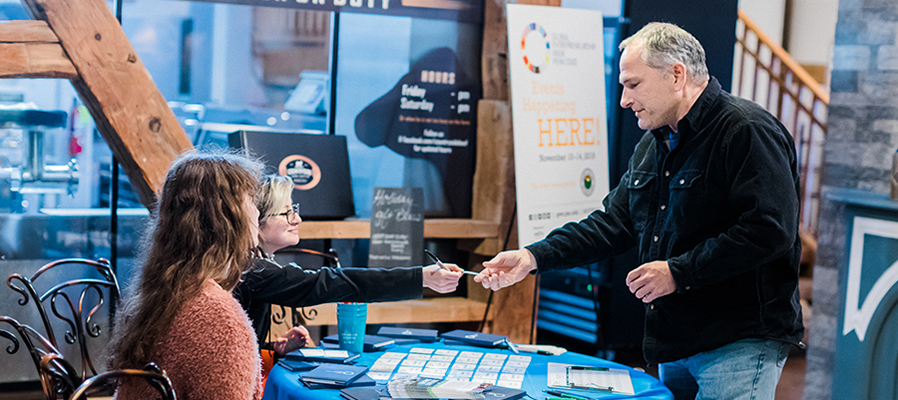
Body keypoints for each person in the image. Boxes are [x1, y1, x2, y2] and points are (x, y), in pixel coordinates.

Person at [475, 22, 803, 400]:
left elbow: (769, 230)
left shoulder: (747, 129)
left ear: (677, 75)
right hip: (676, 339)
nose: (624, 100)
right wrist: (532, 257)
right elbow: (613, 224)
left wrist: (678, 273)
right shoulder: (654, 143)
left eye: (633, 84)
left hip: (739, 340)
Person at [234, 174, 464, 357]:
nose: (297, 219)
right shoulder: (254, 269)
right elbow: (332, 282)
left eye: (295, 209)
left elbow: (241, 343)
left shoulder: (252, 263)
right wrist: (420, 277)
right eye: (287, 212)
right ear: (256, 218)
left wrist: (273, 348)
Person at [110, 151, 264, 400]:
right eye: (252, 201)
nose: (258, 213)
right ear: (226, 218)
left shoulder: (168, 291)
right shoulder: (219, 319)